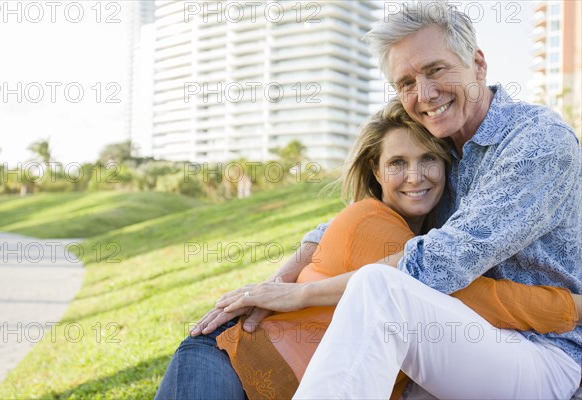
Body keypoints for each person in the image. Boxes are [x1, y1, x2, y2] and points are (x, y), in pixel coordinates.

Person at [153, 98, 579, 399]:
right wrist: (571, 308)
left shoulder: (424, 230)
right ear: (375, 172)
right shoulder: (370, 222)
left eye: (429, 159)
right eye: (397, 163)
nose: (415, 176)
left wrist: (284, 275)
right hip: (237, 358)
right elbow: (478, 300)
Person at [289, 2, 581, 399]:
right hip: (464, 334)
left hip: (548, 352)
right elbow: (370, 214)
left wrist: (299, 294)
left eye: (436, 69)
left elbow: (441, 261)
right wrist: (278, 278)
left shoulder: (535, 141)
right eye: (405, 83)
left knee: (380, 288)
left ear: (478, 64)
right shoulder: (440, 148)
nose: (424, 94)